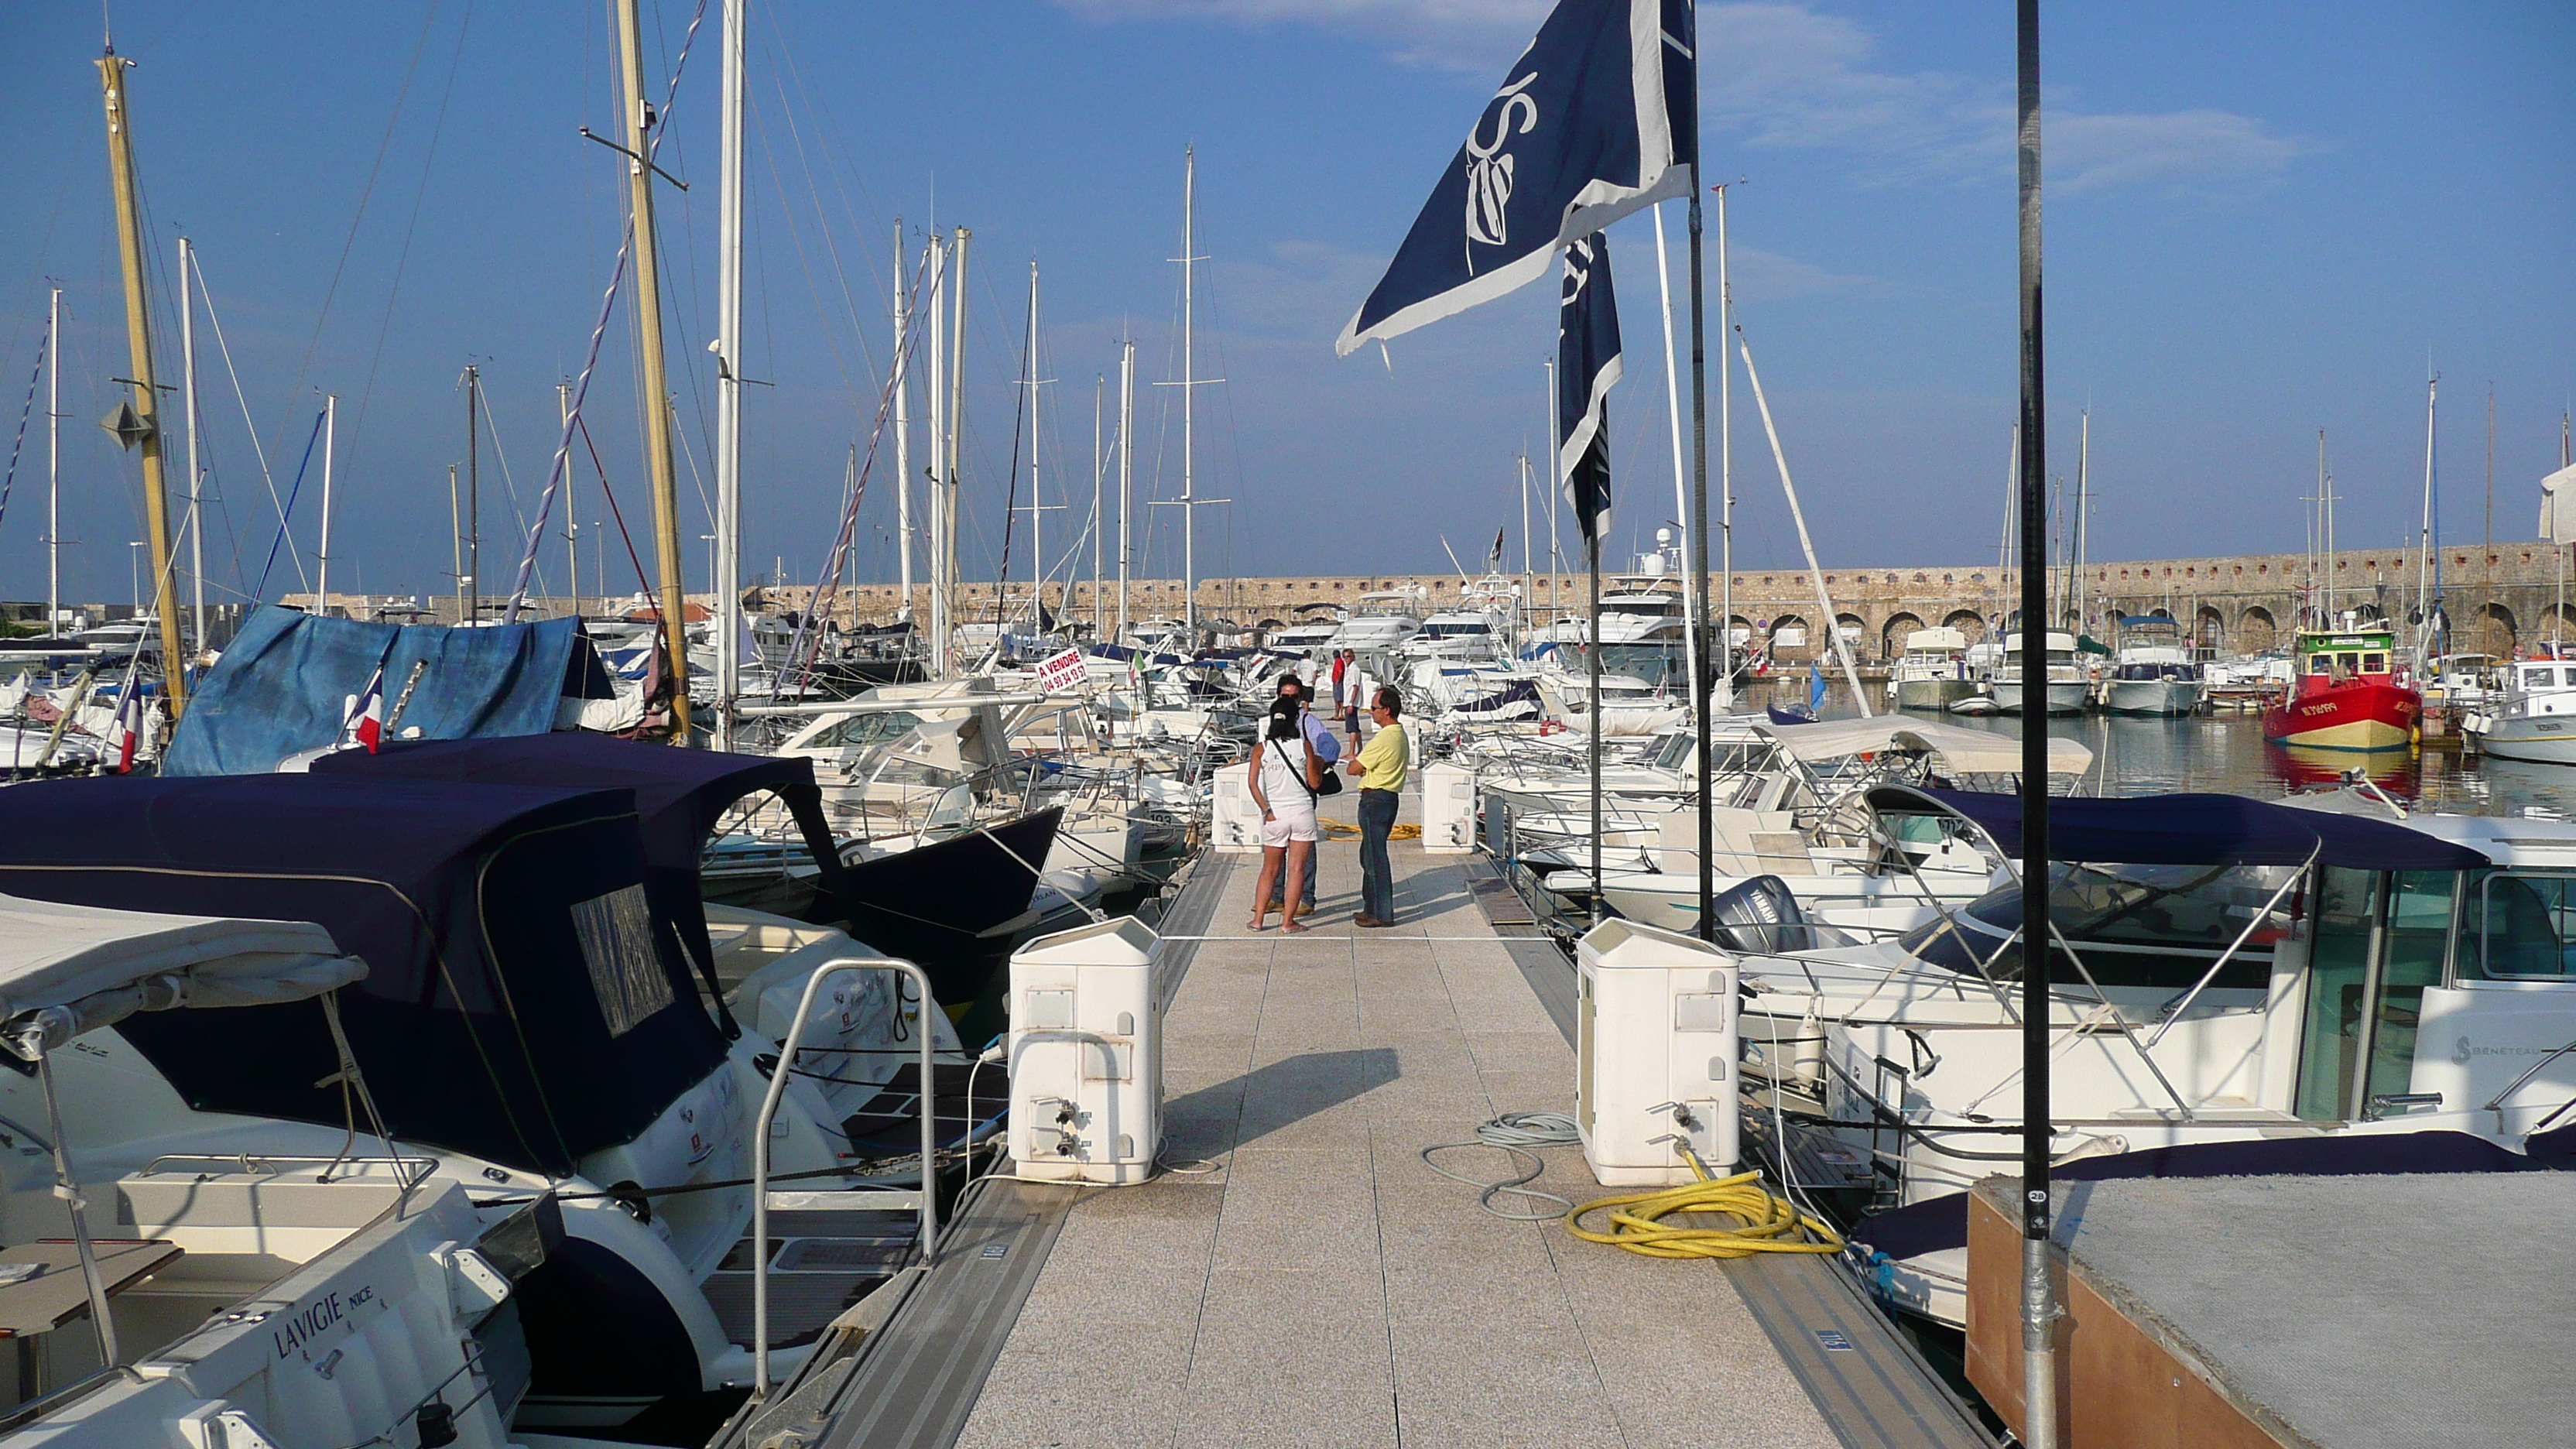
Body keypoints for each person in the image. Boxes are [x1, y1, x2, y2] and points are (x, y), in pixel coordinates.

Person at [1246, 696, 1323, 933]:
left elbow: (1252, 784)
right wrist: (1318, 765)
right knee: (1297, 869)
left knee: (1270, 869)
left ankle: (1258, 920)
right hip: (1302, 812)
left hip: (1275, 814)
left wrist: (1266, 810)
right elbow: (1315, 783)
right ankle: (1288, 922)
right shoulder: (1303, 746)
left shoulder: (1262, 748)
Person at [1266, 675, 1340, 914]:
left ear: (1300, 699)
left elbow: (1331, 747)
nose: (1288, 700)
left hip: (1302, 791)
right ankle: (1276, 896)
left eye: (1293, 697)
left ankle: (1306, 898)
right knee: (1275, 846)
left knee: (1304, 847)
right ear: (1278, 696)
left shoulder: (1308, 722)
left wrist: (1316, 766)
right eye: (1284, 696)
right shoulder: (1272, 721)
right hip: (1277, 791)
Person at [1345, 684, 1407, 927]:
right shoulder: (1399, 734)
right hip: (1387, 798)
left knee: (1375, 858)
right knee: (1368, 855)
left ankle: (1381, 913)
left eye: (1374, 708)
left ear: (1387, 710)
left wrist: (1358, 765)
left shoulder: (1385, 737)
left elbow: (1353, 768)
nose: (1371, 712)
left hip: (1376, 800)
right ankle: (1371, 907)